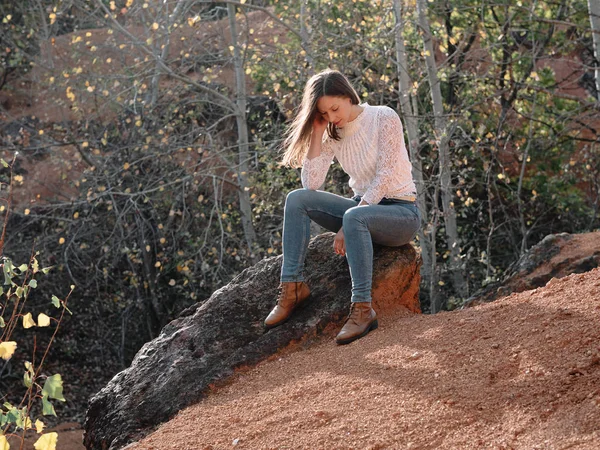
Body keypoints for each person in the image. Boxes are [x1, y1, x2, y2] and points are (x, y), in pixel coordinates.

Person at [264, 69, 420, 345]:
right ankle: (292, 287)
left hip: (401, 213)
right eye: (325, 114)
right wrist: (316, 132)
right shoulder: (331, 131)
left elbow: (385, 175)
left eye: (335, 108)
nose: (332, 117)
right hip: (360, 211)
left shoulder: (383, 117)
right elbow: (311, 183)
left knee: (355, 216)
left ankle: (362, 309)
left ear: (348, 95)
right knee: (297, 198)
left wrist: (353, 217)